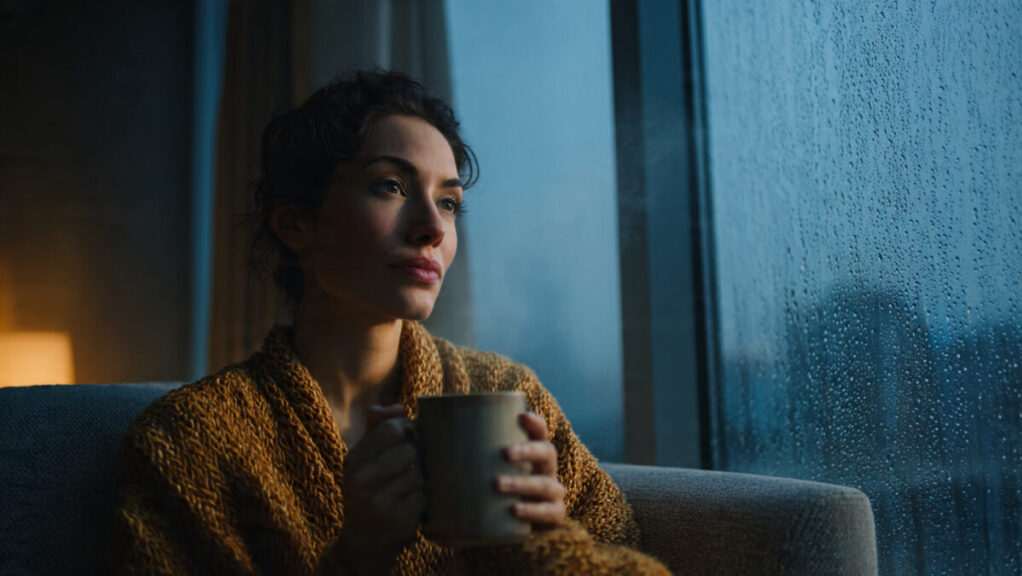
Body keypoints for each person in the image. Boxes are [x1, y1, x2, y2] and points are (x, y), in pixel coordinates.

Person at [111, 69, 669, 575]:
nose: (431, 227)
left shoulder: (508, 394)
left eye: (449, 203)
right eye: (391, 186)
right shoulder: (190, 441)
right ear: (296, 223)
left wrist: (544, 542)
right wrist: (358, 558)